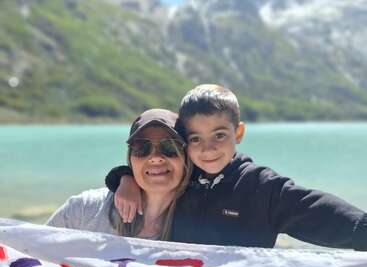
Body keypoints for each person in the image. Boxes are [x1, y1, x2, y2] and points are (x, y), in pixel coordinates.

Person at [105, 84, 367, 250]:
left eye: (219, 135)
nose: (207, 149)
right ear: (185, 141)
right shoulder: (185, 178)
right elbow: (150, 172)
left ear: (238, 133)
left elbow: (315, 211)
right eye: (195, 139)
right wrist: (125, 179)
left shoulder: (261, 188)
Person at [47, 109, 192, 241]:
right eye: (142, 147)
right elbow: (35, 255)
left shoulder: (201, 223)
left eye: (169, 146)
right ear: (130, 158)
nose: (155, 157)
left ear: (186, 156)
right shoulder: (84, 210)